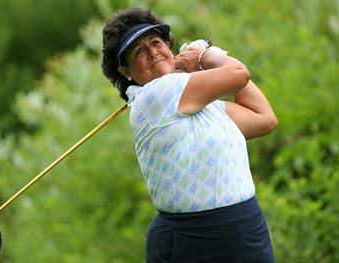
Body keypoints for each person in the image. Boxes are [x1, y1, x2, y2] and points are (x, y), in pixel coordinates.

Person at [101, 7, 278, 263]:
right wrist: (206, 55)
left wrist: (197, 65)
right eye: (139, 51)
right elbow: (238, 74)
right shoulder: (154, 96)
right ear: (125, 71)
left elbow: (264, 118)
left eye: (155, 42)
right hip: (194, 239)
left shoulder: (200, 106)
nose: (152, 52)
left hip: (245, 230)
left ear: (168, 47)